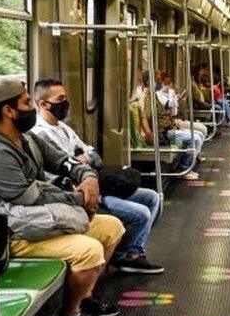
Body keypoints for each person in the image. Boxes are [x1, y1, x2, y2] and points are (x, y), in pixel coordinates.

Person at [0, 79, 125, 316]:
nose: (32, 107)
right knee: (89, 249)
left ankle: (85, 295)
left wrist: (88, 176)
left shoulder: (27, 140)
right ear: (8, 111)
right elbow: (29, 198)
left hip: (39, 221)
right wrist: (79, 199)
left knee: (112, 227)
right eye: (26, 102)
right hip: (12, 235)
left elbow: (63, 160)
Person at [31, 79, 164, 275]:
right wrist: (81, 161)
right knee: (140, 213)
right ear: (44, 104)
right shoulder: (40, 134)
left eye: (66, 97)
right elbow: (59, 171)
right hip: (78, 192)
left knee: (152, 197)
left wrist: (82, 159)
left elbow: (94, 156)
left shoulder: (65, 128)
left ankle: (134, 253)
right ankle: (121, 256)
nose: (66, 102)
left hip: (96, 183)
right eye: (60, 99)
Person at [138, 72, 204, 180]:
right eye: (155, 80)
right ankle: (183, 169)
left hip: (168, 128)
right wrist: (150, 135)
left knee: (199, 134)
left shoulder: (152, 95)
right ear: (148, 82)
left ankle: (185, 166)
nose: (158, 83)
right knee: (194, 138)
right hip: (163, 133)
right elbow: (145, 117)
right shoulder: (147, 98)